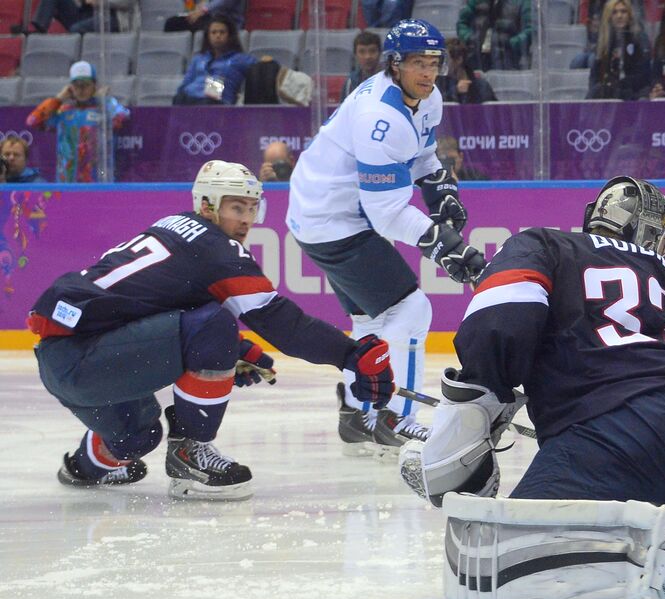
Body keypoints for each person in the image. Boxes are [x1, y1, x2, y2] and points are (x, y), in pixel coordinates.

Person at [402, 177, 665, 599]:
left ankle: (655, 547)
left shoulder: (544, 244)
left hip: (611, 434)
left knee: (497, 551)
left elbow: (498, 319)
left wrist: (488, 391)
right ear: (644, 231)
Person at [28, 160, 395, 499]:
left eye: (253, 208)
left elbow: (152, 303)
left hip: (64, 360)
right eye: (237, 207)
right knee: (215, 324)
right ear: (207, 205)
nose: (247, 219)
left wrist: (226, 351)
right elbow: (278, 321)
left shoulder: (173, 226)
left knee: (140, 437)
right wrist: (350, 355)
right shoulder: (217, 248)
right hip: (86, 358)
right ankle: (191, 453)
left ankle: (81, 468)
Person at [287, 19, 481, 456]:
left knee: (373, 321)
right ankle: (397, 417)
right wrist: (447, 247)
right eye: (418, 63)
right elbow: (389, 213)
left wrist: (441, 193)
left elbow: (424, 156)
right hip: (333, 219)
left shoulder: (426, 99)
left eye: (433, 62)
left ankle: (359, 413)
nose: (428, 73)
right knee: (412, 310)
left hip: (324, 214)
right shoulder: (381, 116)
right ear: (395, 66)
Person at [25, 62, 130, 183]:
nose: (81, 90)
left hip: (98, 180)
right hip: (67, 181)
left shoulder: (104, 109)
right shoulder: (63, 112)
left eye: (86, 85)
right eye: (77, 85)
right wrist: (58, 99)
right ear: (70, 88)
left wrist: (104, 99)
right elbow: (33, 121)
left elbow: (123, 116)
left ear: (94, 86)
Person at [173, 15, 257, 105]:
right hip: (189, 98)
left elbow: (259, 67)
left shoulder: (240, 59)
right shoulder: (199, 58)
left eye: (222, 32)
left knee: (207, 100)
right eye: (213, 32)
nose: (218, 35)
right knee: (178, 98)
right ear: (208, 36)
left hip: (217, 103)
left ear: (229, 35)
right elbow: (186, 82)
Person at [588, 0, 653, 100]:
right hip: (609, 94)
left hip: (635, 92)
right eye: (614, 12)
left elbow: (643, 75)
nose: (619, 16)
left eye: (623, 11)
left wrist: (620, 85)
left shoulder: (640, 38)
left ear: (629, 15)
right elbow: (595, 76)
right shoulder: (603, 42)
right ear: (609, 16)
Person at [456, 0, 535, 72]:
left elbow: (532, 29)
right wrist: (469, 38)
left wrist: (512, 44)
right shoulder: (475, 2)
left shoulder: (523, 2)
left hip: (509, 62)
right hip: (477, 60)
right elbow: (462, 24)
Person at [437, 37, 498, 104]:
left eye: (445, 60)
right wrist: (455, 91)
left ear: (459, 60)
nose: (440, 64)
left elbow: (495, 110)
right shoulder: (438, 84)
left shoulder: (481, 86)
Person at [16, 0, 121, 35]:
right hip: (85, 13)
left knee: (76, 28)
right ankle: (39, 28)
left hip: (108, 17)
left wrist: (100, 2)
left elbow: (127, 3)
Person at [343, 31, 383, 101]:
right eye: (362, 52)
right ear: (355, 55)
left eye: (372, 51)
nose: (367, 56)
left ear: (380, 53)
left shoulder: (392, 79)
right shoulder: (351, 82)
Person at [163, 0, 245, 33]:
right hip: (208, 17)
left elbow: (222, 3)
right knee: (172, 23)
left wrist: (203, 10)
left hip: (226, 20)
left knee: (196, 25)